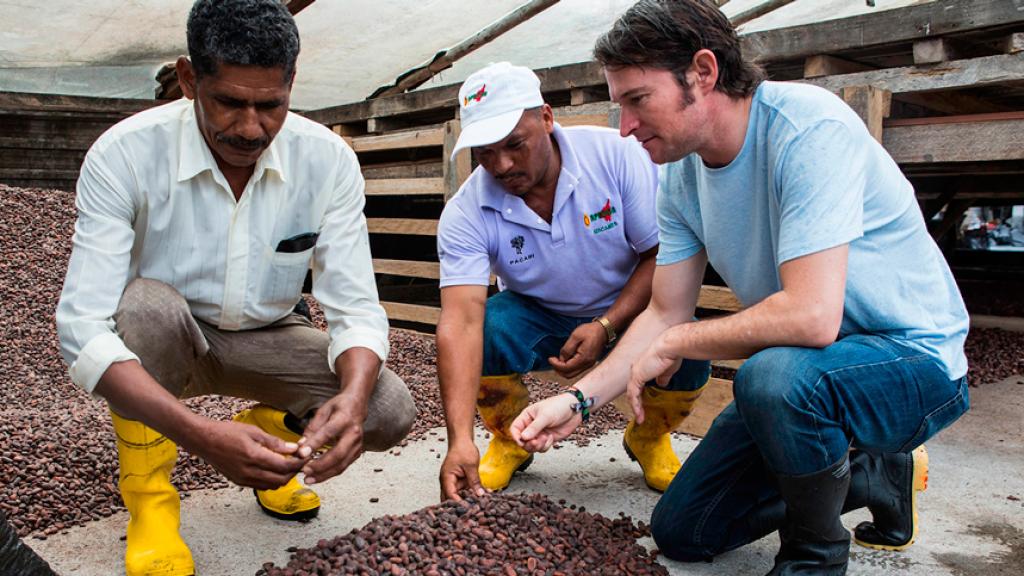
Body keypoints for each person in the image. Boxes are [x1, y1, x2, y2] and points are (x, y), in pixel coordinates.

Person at [511, 1, 970, 574]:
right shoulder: (680, 176)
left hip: (914, 362)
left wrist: (680, 342)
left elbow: (811, 317)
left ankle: (815, 557)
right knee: (685, 531)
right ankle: (871, 474)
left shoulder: (808, 129)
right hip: (811, 374)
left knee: (772, 377)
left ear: (702, 72)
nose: (625, 127)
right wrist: (577, 401)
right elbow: (664, 312)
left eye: (637, 100)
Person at [55, 1, 415, 574]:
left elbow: (356, 309)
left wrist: (349, 401)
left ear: (291, 83)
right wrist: (201, 437)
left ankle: (270, 439)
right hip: (167, 339)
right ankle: (150, 504)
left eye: (270, 106)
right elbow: (81, 328)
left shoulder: (328, 161)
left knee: (386, 409)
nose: (251, 129)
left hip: (271, 331)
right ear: (189, 78)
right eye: (229, 102)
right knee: (145, 310)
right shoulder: (125, 153)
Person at [435, 62, 710, 500]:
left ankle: (649, 436)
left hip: (631, 309)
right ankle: (509, 437)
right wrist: (459, 441)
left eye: (515, 145)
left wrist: (607, 325)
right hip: (537, 314)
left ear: (546, 118)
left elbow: (658, 255)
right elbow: (460, 322)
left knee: (687, 343)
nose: (501, 165)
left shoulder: (615, 156)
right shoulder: (467, 211)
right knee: (487, 329)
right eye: (485, 153)